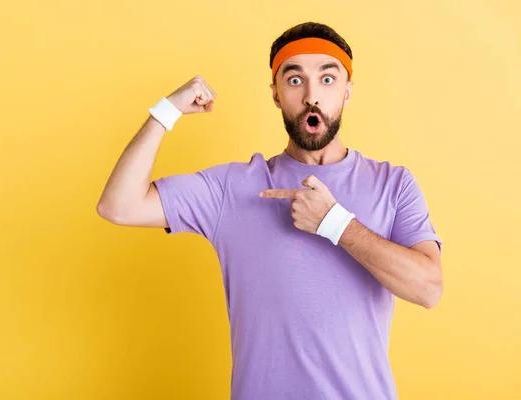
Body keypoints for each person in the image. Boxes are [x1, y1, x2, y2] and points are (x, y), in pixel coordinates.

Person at [97, 21, 443, 400]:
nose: (312, 95)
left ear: (347, 92)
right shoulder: (232, 188)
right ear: (276, 95)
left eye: (328, 80)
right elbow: (118, 205)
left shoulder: (393, 184)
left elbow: (428, 288)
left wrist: (335, 223)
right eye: (295, 81)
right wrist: (166, 112)